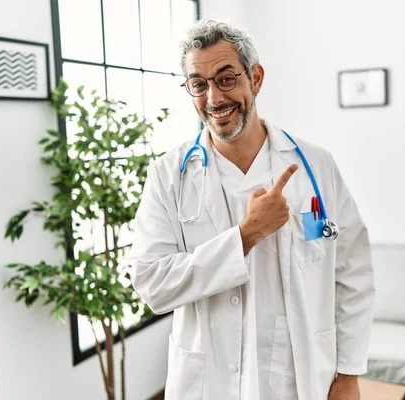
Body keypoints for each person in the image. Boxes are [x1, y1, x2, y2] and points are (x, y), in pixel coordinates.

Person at [129, 19, 375, 400]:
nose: (213, 98)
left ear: (255, 78)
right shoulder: (168, 176)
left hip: (298, 377)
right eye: (199, 84)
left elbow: (353, 273)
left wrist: (349, 373)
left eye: (226, 78)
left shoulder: (315, 165)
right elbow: (152, 284)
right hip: (210, 380)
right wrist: (246, 236)